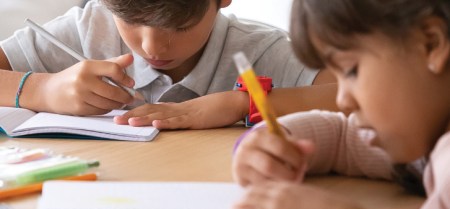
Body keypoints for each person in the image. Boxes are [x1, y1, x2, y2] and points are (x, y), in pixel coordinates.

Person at [231, 0, 450, 209]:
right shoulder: (421, 132)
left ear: (430, 43)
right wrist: (270, 142)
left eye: (351, 71)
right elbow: (342, 136)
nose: (341, 100)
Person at [0, 0, 337, 130]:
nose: (151, 46)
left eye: (179, 27)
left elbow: (362, 98)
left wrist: (243, 102)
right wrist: (40, 88)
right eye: (131, 20)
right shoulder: (89, 30)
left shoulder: (259, 50)